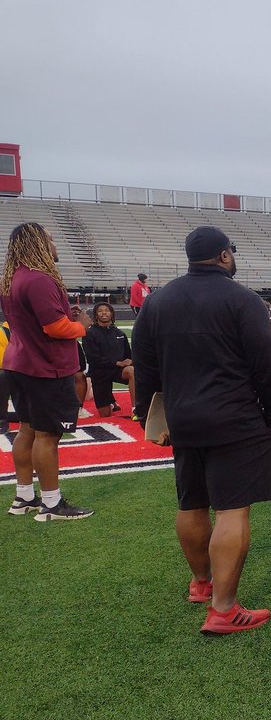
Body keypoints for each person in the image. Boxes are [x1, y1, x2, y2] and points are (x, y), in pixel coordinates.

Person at [132, 225, 271, 634]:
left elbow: (144, 367)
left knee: (191, 502)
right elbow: (265, 365)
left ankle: (202, 583)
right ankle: (223, 608)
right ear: (223, 256)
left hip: (182, 418)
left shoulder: (157, 301)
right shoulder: (243, 300)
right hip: (234, 417)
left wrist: (150, 415)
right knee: (232, 510)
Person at [2, 222, 93, 520]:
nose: (55, 245)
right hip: (45, 367)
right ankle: (52, 504)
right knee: (47, 436)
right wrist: (83, 326)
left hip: (20, 362)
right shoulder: (40, 279)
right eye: (51, 239)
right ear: (38, 243)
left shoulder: (13, 277)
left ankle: (25, 497)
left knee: (26, 430)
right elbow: (55, 328)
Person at [81, 301, 136, 418]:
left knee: (132, 371)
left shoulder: (120, 333)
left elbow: (129, 355)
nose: (104, 313)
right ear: (96, 315)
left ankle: (136, 409)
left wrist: (131, 361)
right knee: (105, 414)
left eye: (107, 310)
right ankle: (110, 402)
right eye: (100, 311)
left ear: (112, 314)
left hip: (117, 371)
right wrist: (117, 362)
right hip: (100, 373)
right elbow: (93, 359)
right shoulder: (89, 333)